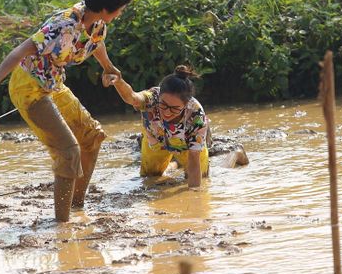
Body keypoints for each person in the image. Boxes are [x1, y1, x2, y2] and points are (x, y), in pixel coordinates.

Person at [0, 0, 133, 222]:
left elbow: (96, 44)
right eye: (121, 9)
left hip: (53, 84)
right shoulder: (63, 24)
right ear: (105, 8)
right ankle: (62, 224)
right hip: (29, 88)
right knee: (69, 151)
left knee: (92, 137)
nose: (122, 13)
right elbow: (19, 51)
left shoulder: (98, 23)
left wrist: (108, 67)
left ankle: (76, 207)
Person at [104, 65, 248, 188]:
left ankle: (236, 153)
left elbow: (194, 160)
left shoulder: (196, 115)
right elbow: (132, 97)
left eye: (174, 108)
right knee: (149, 179)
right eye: (163, 105)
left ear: (186, 105)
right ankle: (175, 163)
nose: (166, 112)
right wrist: (119, 82)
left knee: (202, 179)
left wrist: (195, 199)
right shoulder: (152, 97)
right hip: (156, 141)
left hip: (186, 147)